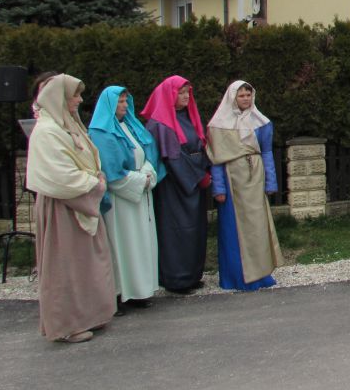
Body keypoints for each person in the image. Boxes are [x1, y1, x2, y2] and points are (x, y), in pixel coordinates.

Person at [26, 74, 115, 343]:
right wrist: (94, 184)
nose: (80, 99)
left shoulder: (68, 126)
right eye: (74, 95)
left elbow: (88, 156)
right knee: (65, 267)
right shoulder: (47, 131)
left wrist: (95, 176)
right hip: (62, 208)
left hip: (81, 199)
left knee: (85, 265)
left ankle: (89, 315)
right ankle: (67, 325)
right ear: (60, 98)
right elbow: (58, 176)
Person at [88, 86, 162, 310]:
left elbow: (148, 152)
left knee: (140, 243)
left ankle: (140, 290)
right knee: (121, 244)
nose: (124, 105)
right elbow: (112, 173)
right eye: (119, 102)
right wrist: (141, 180)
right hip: (120, 200)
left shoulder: (131, 126)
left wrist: (148, 173)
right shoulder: (101, 132)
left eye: (125, 101)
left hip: (140, 192)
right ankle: (119, 293)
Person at [207, 80, 284, 291]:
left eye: (248, 95)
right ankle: (237, 277)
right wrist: (219, 188)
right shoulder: (218, 124)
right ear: (233, 97)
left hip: (255, 179)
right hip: (233, 183)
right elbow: (216, 158)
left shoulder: (261, 122)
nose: (245, 99)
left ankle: (261, 275)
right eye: (241, 95)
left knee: (257, 228)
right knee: (234, 229)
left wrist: (271, 181)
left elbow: (267, 152)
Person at [142, 76, 211, 294]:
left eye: (187, 93)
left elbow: (198, 145)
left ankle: (191, 274)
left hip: (193, 180)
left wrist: (204, 168)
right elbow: (173, 157)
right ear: (169, 95)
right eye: (181, 93)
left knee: (195, 229)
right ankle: (176, 278)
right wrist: (198, 176)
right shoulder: (160, 124)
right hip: (175, 185)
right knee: (177, 230)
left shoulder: (188, 117)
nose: (185, 97)